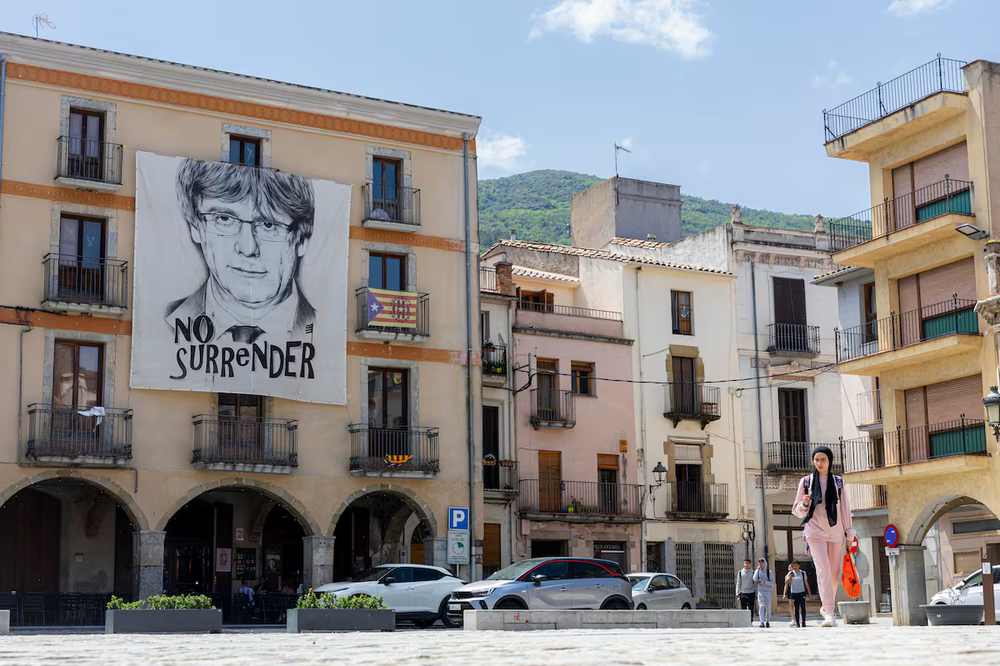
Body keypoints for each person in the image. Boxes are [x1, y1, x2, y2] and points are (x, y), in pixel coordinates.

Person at [167, 159, 317, 343]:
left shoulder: (326, 331)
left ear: (301, 239)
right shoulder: (161, 323)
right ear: (196, 228)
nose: (248, 248)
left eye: (269, 225)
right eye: (224, 219)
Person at [792, 445, 856, 628]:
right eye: (816, 460)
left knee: (834, 575)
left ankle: (826, 607)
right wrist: (804, 504)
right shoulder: (805, 482)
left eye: (823, 460)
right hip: (814, 532)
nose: (819, 463)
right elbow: (797, 511)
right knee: (824, 571)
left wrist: (849, 534)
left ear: (829, 461)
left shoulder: (838, 482)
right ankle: (829, 612)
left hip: (835, 533)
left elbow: (844, 509)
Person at [783, 561, 813, 628]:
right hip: (794, 593)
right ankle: (797, 623)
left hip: (801, 592)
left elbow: (806, 583)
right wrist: (790, 577)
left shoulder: (802, 573)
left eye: (796, 565)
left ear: (799, 566)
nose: (795, 567)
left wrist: (809, 593)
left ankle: (803, 622)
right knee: (796, 609)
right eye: (794, 566)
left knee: (803, 608)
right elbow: (786, 582)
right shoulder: (790, 573)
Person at [752, 557, 773, 628]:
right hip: (760, 590)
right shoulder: (758, 571)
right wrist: (757, 571)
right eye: (760, 563)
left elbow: (772, 583)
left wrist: (766, 582)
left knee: (768, 607)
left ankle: (767, 621)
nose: (761, 564)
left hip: (768, 591)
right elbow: (754, 579)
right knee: (761, 606)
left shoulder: (769, 572)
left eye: (762, 563)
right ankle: (761, 622)